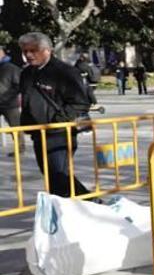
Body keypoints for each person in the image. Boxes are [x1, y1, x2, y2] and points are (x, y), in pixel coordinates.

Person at [18, 32, 93, 198]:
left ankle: (88, 204)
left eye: (33, 50)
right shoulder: (26, 73)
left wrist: (59, 121)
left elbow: (80, 103)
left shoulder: (65, 72)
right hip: (38, 133)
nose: (29, 55)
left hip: (59, 134)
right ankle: (89, 203)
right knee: (54, 177)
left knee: (59, 176)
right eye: (25, 51)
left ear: (47, 50)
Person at [0, 47, 23, 153]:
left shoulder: (11, 68)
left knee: (15, 126)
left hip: (10, 103)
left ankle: (20, 148)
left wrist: (8, 96)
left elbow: (19, 85)